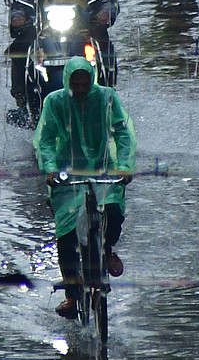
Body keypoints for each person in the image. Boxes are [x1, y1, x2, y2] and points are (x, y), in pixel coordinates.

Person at [34, 57, 136, 319]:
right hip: (68, 174)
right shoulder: (55, 102)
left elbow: (123, 133)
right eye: (75, 84)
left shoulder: (106, 98)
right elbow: (45, 140)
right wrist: (51, 169)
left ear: (92, 81)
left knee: (112, 210)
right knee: (66, 235)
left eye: (84, 83)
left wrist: (124, 166)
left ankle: (107, 249)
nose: (80, 89)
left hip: (104, 170)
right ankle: (71, 294)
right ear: (68, 81)